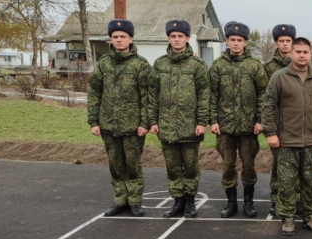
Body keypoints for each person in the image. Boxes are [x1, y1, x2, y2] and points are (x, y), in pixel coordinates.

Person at [261, 37, 312, 236]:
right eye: (298, 52)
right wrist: (271, 133)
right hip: (286, 140)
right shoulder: (279, 77)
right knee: (287, 182)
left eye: (306, 52)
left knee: (310, 181)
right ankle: (288, 218)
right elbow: (268, 107)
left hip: (311, 140)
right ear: (291, 53)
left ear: (310, 54)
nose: (302, 55)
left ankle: (310, 216)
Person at [87, 18, 151, 217]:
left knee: (132, 165)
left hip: (133, 127)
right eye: (115, 37)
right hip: (108, 125)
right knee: (115, 165)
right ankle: (119, 199)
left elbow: (147, 97)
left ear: (130, 38)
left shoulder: (140, 65)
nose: (119, 40)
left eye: (123, 37)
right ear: (110, 39)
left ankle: (135, 201)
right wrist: (93, 121)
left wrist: (144, 122)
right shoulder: (104, 65)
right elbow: (94, 93)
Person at [148, 20, 210, 218]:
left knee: (190, 167)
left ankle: (190, 201)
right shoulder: (159, 64)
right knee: (173, 167)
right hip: (167, 126)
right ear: (168, 38)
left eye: (180, 36)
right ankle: (177, 201)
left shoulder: (197, 65)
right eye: (173, 36)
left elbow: (204, 95)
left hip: (190, 127)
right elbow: (152, 94)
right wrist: (153, 121)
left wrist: (202, 122)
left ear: (187, 38)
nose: (176, 40)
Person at [209, 21, 267, 218]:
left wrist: (260, 120)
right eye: (232, 40)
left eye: (239, 40)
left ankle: (248, 203)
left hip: (248, 127)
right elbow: (212, 95)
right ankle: (231, 202)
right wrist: (213, 120)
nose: (235, 43)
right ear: (227, 41)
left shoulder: (255, 65)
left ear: (245, 42)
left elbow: (263, 94)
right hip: (225, 127)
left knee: (249, 166)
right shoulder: (218, 65)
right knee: (228, 166)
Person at [263, 24, 296, 216]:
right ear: (276, 42)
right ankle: (276, 199)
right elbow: (264, 99)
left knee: (297, 166)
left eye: (288, 41)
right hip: (277, 125)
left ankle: (296, 199)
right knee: (277, 165)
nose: (285, 44)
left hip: (297, 124)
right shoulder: (268, 68)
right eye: (281, 41)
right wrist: (269, 128)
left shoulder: (301, 64)